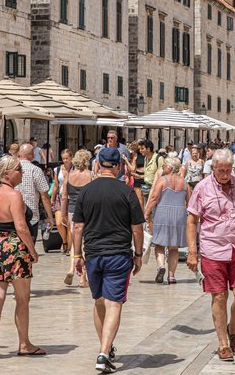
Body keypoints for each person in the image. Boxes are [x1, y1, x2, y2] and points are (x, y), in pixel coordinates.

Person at [72, 147, 145, 373]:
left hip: (93, 253)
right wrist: (139, 254)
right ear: (118, 166)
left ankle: (106, 345)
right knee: (113, 303)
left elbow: (77, 226)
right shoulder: (127, 192)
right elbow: (137, 228)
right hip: (118, 254)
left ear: (98, 164)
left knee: (99, 301)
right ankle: (104, 352)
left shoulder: (86, 191)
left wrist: (76, 254)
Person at [186, 149, 235, 362]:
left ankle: (233, 327)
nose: (226, 174)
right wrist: (193, 251)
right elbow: (192, 221)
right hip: (213, 249)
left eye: (229, 170)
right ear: (213, 169)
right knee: (219, 296)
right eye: (222, 171)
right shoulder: (202, 188)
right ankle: (222, 343)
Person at [0, 155, 44, 360]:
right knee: (22, 299)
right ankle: (24, 344)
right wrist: (32, 251)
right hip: (16, 247)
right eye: (19, 169)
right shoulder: (14, 195)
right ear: (7, 173)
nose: (22, 172)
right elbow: (21, 227)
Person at [144, 156, 188, 285]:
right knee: (173, 247)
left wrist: (146, 214)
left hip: (163, 213)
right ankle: (171, 276)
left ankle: (161, 266)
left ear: (170, 167)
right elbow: (190, 200)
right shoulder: (184, 182)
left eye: (164, 166)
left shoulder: (162, 180)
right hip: (179, 215)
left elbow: (153, 198)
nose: (162, 168)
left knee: (159, 244)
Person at [61, 149, 94, 287]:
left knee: (75, 242)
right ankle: (83, 278)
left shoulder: (69, 175)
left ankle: (71, 269)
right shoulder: (91, 175)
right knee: (85, 243)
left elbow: (64, 197)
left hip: (71, 211)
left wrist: (62, 214)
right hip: (87, 212)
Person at [17, 144, 53, 240]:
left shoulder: (10, 168)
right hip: (31, 217)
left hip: (12, 216)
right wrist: (50, 216)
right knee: (29, 249)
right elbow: (44, 196)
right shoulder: (36, 170)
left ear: (19, 154)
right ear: (33, 154)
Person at [53, 148, 73, 254]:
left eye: (67, 158)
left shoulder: (75, 169)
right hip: (59, 198)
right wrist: (52, 198)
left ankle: (69, 247)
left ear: (71, 158)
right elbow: (56, 185)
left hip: (71, 198)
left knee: (69, 224)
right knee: (59, 222)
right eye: (63, 158)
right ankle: (64, 241)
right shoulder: (57, 170)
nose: (65, 160)